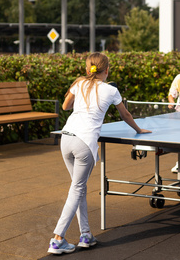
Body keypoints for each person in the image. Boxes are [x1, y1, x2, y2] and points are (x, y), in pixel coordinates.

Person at [48, 52, 151, 254]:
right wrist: (139, 130)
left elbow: (65, 106)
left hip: (66, 139)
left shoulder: (79, 84)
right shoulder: (111, 90)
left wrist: (75, 87)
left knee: (79, 189)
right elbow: (125, 114)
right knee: (77, 189)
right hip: (83, 142)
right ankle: (58, 238)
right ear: (107, 70)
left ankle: (85, 234)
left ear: (88, 70)